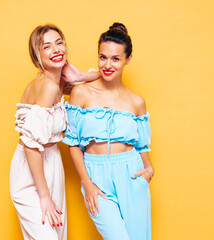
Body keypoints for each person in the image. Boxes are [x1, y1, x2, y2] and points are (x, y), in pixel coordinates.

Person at [63, 22, 154, 240]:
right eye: (103, 57)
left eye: (115, 59)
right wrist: (87, 183)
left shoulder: (137, 102)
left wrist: (149, 169)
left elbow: (142, 145)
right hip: (96, 175)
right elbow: (73, 143)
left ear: (127, 59)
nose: (107, 64)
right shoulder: (81, 94)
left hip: (131, 174)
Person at [9, 24, 99, 240]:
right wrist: (44, 196)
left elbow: (103, 79)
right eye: (47, 46)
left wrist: (78, 75)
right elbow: (31, 146)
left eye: (59, 43)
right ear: (37, 55)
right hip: (32, 168)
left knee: (57, 235)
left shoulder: (58, 83)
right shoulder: (47, 87)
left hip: (52, 163)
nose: (56, 49)